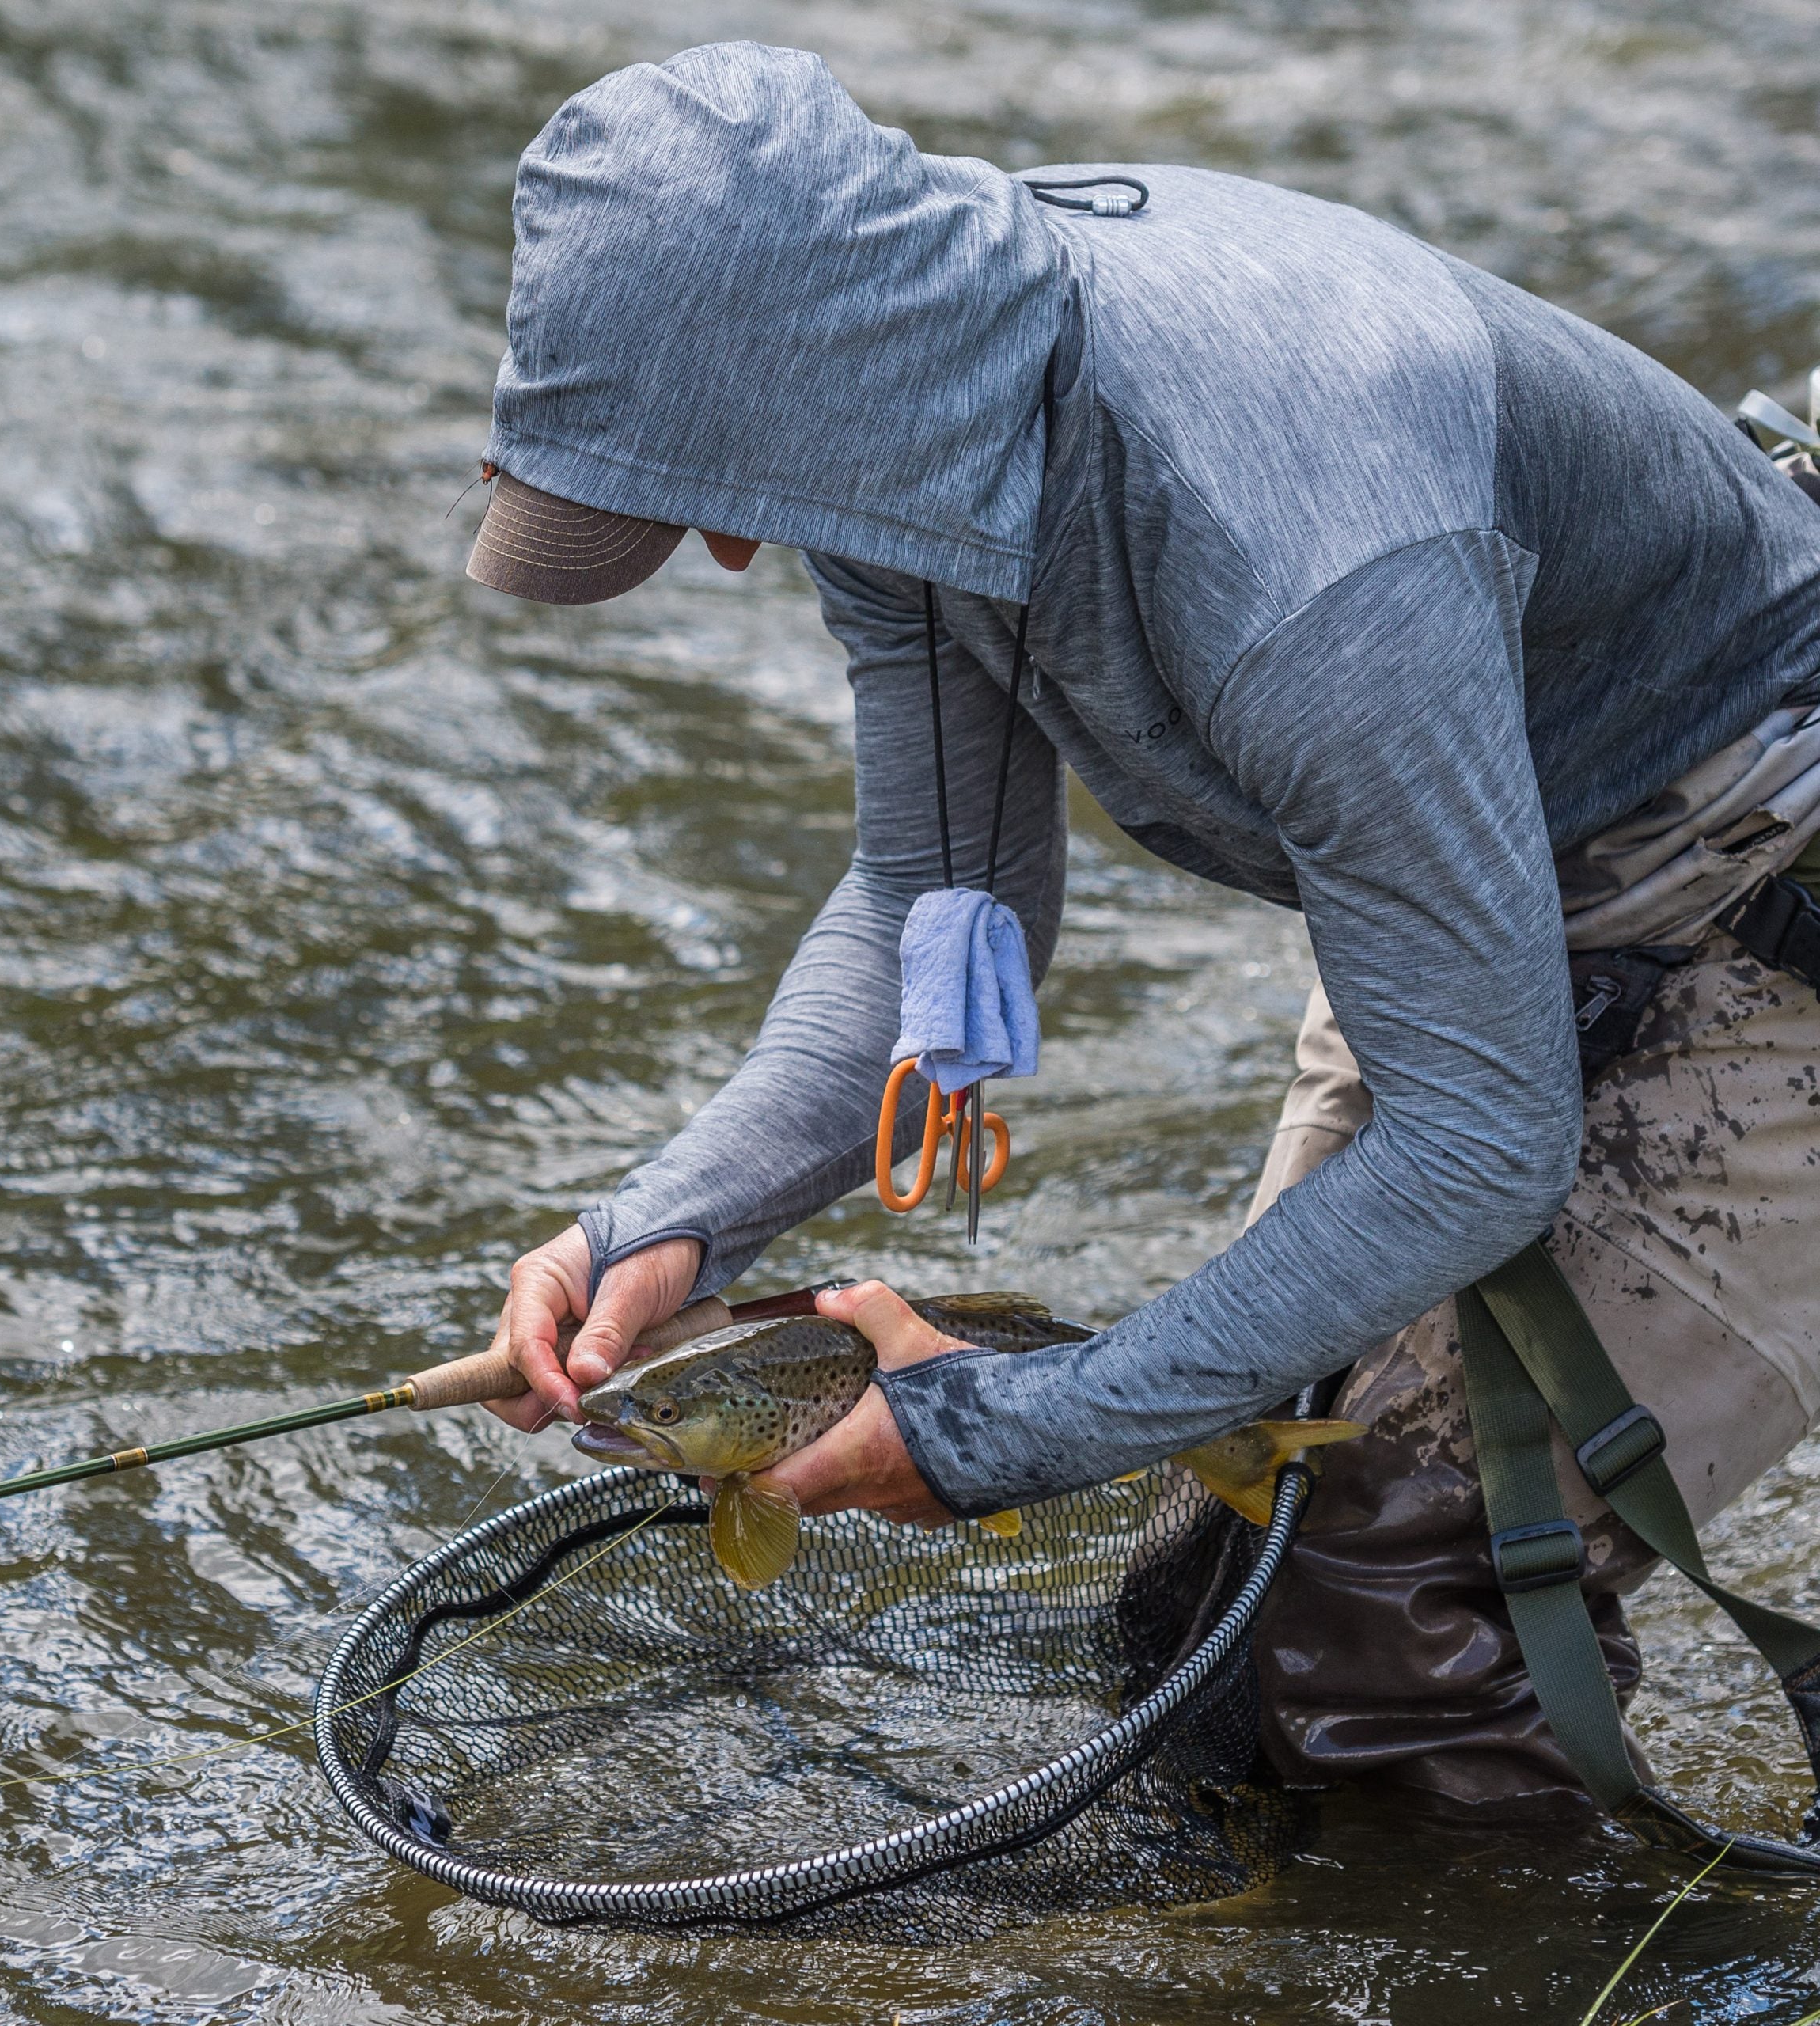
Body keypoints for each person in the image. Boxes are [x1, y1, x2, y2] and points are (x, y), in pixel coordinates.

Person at [465, 40, 1820, 1817]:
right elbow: (931, 902)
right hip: (1469, 888)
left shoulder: (1292, 553)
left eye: (702, 487)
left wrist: (996, 1435)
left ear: (828, 375)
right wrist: (664, 1222)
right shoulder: (910, 441)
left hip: (1754, 911)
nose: (723, 554)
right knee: (1218, 1595)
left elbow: (1482, 1140)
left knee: (1379, 1623)